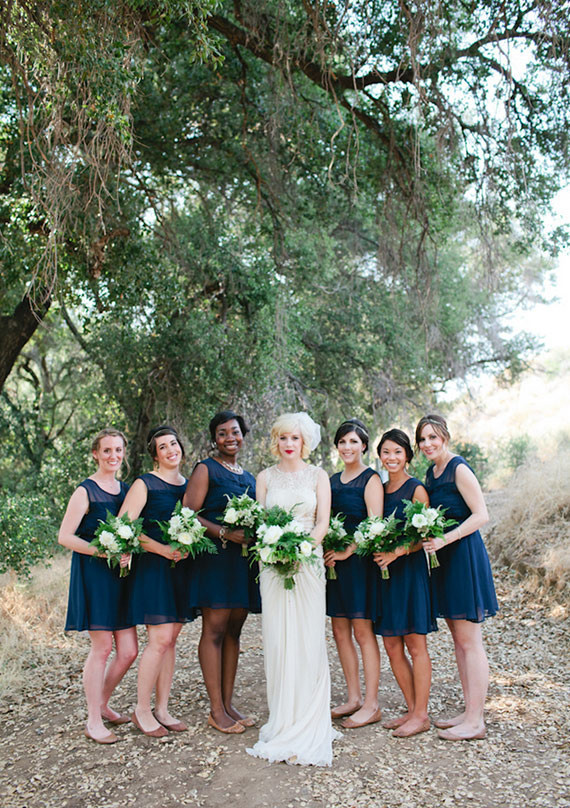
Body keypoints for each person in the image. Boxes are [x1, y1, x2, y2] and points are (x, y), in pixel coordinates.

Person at [246, 412, 341, 766]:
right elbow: (260, 523)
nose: (289, 444)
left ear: (305, 442)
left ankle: (309, 718)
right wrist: (275, 550)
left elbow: (322, 522)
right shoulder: (264, 477)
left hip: (308, 563)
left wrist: (303, 549)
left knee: (308, 635)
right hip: (271, 564)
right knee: (277, 636)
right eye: (283, 438)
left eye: (295, 438)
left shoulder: (318, 476)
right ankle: (283, 719)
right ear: (276, 441)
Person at [416, 414, 498, 741]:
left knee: (470, 641)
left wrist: (445, 539)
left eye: (433, 437)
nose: (427, 444)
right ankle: (468, 710)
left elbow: (481, 515)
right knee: (458, 640)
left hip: (463, 556)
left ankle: (476, 721)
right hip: (445, 561)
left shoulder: (458, 468)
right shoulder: (432, 473)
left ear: (445, 437)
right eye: (422, 439)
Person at [59, 428, 138, 744]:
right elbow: (65, 537)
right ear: (96, 454)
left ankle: (102, 703)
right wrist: (102, 551)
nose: (113, 456)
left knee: (129, 651)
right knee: (103, 648)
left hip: (121, 576)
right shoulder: (85, 491)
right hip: (94, 575)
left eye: (118, 450)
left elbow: (131, 532)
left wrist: (128, 551)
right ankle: (93, 720)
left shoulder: (127, 490)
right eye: (107, 450)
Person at [184, 411, 260, 734]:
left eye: (235, 432)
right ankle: (215, 710)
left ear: (243, 434)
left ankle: (229, 705)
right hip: (215, 559)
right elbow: (188, 513)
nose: (230, 438)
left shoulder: (250, 477)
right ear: (214, 438)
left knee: (234, 632)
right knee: (214, 630)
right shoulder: (206, 468)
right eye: (222, 433)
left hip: (242, 562)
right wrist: (224, 533)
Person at [119, 425, 192, 737]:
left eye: (174, 443)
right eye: (163, 447)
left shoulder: (189, 485)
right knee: (159, 640)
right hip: (153, 569)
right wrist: (162, 549)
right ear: (155, 455)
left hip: (181, 570)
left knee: (171, 641)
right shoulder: (145, 483)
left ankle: (162, 708)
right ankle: (141, 709)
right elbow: (124, 527)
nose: (171, 450)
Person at [373, 428, 436, 737]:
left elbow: (426, 535)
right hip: (384, 576)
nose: (391, 457)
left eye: (397, 452)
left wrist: (397, 552)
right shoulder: (378, 489)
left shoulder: (416, 489)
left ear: (407, 456)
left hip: (409, 572)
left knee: (415, 642)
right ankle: (412, 710)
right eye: (386, 452)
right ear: (379, 456)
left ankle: (421, 714)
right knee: (391, 644)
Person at [324, 418, 384, 729]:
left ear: (363, 446)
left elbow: (375, 524)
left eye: (353, 442)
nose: (347, 447)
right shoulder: (331, 481)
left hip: (359, 564)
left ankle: (372, 704)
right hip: (334, 565)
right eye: (342, 442)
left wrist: (348, 550)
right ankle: (353, 698)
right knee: (339, 631)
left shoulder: (370, 479)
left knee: (362, 632)